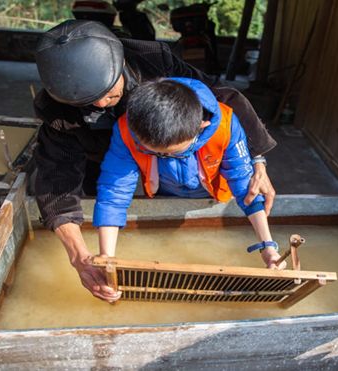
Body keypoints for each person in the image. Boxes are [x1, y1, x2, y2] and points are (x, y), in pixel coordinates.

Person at [33, 20, 277, 302]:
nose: (101, 104)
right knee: (100, 187)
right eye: (88, 101)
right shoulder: (76, 119)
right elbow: (81, 185)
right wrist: (86, 256)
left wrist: (257, 159)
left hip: (181, 152)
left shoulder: (155, 63)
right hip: (107, 153)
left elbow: (222, 100)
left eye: (110, 92)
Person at [94, 78, 285, 301]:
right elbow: (114, 192)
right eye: (155, 153)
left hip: (211, 192)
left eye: (171, 152)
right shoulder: (128, 128)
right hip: (163, 191)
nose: (164, 156)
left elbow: (244, 186)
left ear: (200, 127)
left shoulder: (225, 125)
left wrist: (268, 247)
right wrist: (107, 259)